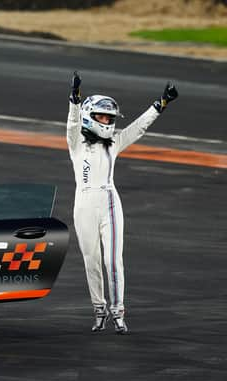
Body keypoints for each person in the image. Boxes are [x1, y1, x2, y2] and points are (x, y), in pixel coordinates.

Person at [66, 71, 178, 334]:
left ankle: (118, 312)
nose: (107, 121)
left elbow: (138, 127)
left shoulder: (114, 142)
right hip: (82, 204)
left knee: (113, 261)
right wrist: (74, 98)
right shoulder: (76, 144)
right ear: (90, 116)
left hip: (109, 202)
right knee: (91, 261)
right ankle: (99, 311)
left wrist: (160, 103)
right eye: (103, 117)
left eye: (110, 117)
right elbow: (72, 122)